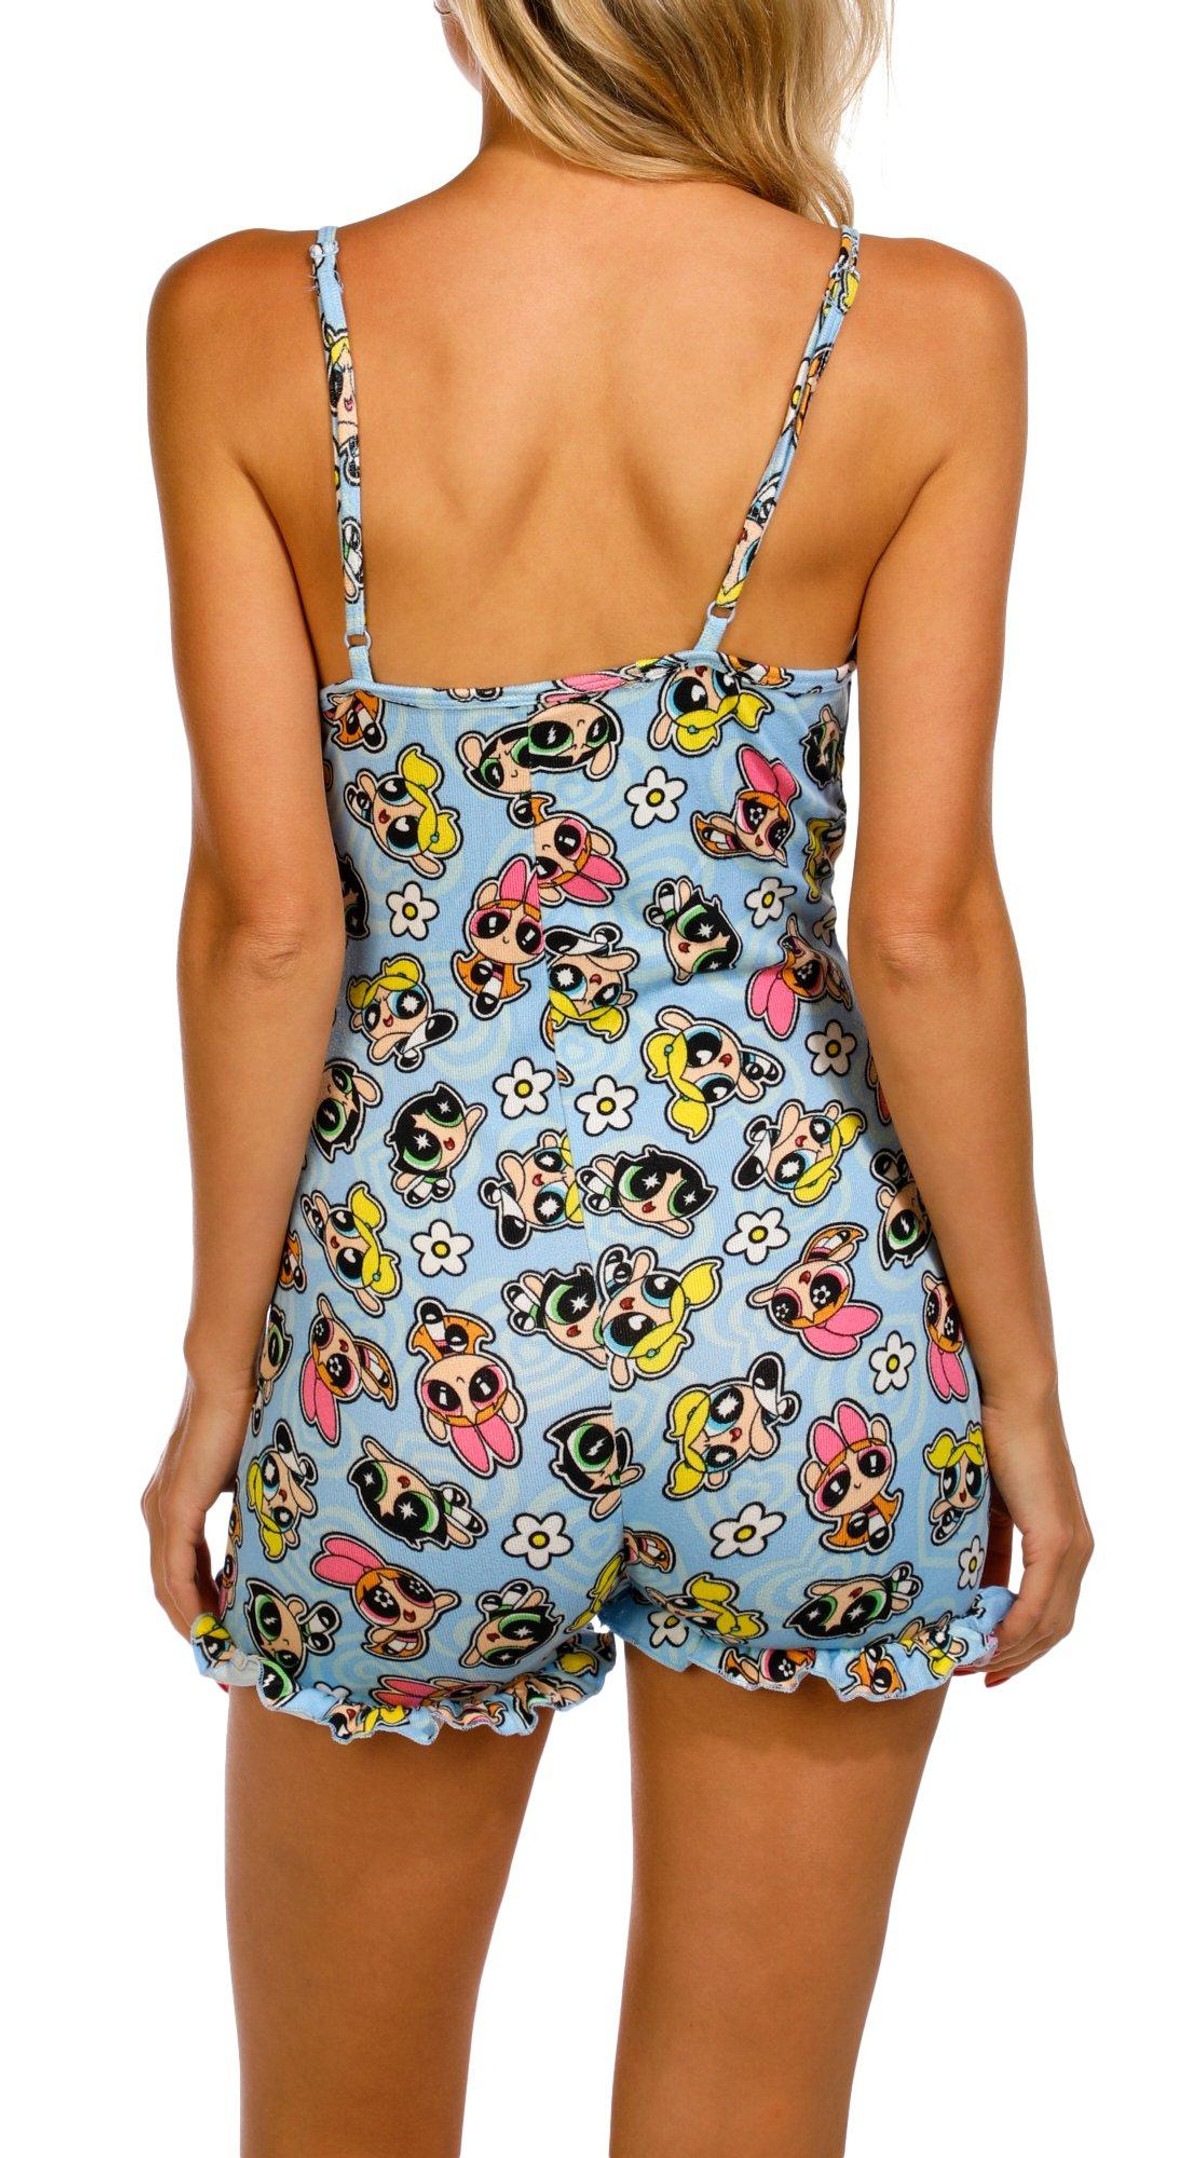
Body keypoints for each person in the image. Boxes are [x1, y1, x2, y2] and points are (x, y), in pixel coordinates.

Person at [142, 4, 1092, 2152]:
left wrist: (217, 1373)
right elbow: (926, 926)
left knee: (335, 2124)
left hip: (414, 1341)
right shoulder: (926, 330)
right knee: (751, 2111)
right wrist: (1023, 1403)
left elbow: (269, 923)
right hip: (808, 1343)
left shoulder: (248, 322)